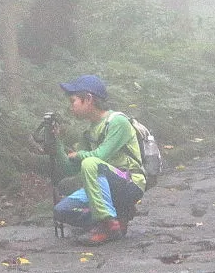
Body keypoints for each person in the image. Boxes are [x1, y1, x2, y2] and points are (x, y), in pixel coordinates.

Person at [49, 74, 145, 244]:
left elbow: (99, 157)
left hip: (129, 183)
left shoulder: (118, 122)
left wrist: (78, 154)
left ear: (88, 99)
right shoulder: (88, 131)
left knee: (91, 162)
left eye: (73, 101)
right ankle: (119, 217)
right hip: (101, 185)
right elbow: (70, 170)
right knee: (61, 210)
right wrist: (56, 143)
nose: (71, 107)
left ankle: (106, 224)